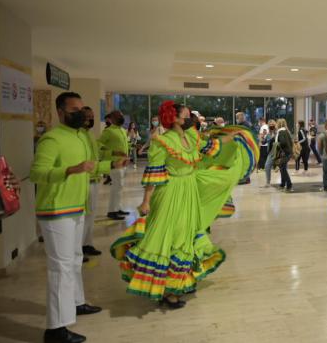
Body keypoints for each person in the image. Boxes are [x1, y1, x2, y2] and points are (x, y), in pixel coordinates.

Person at [110, 101, 257, 309]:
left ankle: (177, 284)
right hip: (169, 192)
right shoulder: (162, 142)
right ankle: (168, 291)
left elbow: (211, 147)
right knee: (168, 238)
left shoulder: (191, 136)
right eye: (186, 115)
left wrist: (232, 137)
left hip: (189, 189)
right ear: (175, 118)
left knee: (186, 237)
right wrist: (145, 202)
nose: (190, 118)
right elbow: (154, 173)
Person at [31, 92, 127, 343]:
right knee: (61, 267)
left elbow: (92, 166)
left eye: (82, 108)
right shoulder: (51, 138)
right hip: (56, 210)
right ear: (61, 112)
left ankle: (75, 302)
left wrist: (111, 166)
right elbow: (38, 173)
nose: (81, 113)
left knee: (74, 260)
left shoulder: (82, 136)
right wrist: (70, 170)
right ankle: (55, 328)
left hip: (76, 207)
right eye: (74, 109)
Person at [81, 106, 104, 257]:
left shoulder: (89, 135)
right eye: (87, 116)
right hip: (84, 181)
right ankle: (80, 247)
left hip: (94, 179)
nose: (90, 119)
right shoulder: (79, 135)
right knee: (83, 217)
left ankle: (87, 243)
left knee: (91, 215)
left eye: (92, 116)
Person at [99, 111, 129, 220]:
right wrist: (112, 152)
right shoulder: (108, 131)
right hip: (114, 164)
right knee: (116, 188)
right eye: (118, 116)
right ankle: (112, 211)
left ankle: (118, 208)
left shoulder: (122, 130)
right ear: (112, 118)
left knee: (119, 187)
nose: (121, 117)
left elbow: (124, 145)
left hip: (124, 163)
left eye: (122, 115)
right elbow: (99, 146)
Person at [275, 118, 294, 192]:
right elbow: (290, 142)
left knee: (283, 168)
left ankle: (289, 185)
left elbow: (282, 142)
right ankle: (282, 184)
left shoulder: (281, 132)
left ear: (279, 124)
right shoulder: (286, 131)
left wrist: (277, 145)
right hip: (288, 152)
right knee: (282, 168)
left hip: (285, 153)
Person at [261, 120, 277, 187]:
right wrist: (263, 137)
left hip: (277, 152)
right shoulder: (268, 134)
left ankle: (284, 182)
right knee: (267, 166)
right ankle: (268, 182)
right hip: (270, 152)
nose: (271, 126)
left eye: (272, 125)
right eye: (269, 125)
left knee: (283, 168)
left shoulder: (277, 133)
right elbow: (263, 142)